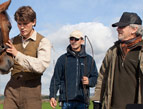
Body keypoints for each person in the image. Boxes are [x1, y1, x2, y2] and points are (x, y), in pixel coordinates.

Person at [92, 12, 143, 109]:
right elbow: (102, 77)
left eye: (122, 27)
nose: (117, 29)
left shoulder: (141, 50)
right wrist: (97, 100)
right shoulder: (112, 51)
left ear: (134, 29)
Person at [3, 6, 51, 109]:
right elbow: (5, 68)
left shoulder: (43, 42)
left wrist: (17, 54)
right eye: (19, 24)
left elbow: (40, 66)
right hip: (12, 89)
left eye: (25, 24)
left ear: (34, 22)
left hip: (32, 91)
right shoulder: (11, 41)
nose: (22, 27)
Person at [49, 30, 98, 109]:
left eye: (76, 39)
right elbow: (55, 79)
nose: (74, 41)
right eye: (71, 39)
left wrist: (89, 81)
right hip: (66, 102)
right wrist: (52, 96)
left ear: (82, 40)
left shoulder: (89, 59)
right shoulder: (62, 59)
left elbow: (95, 78)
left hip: (82, 101)